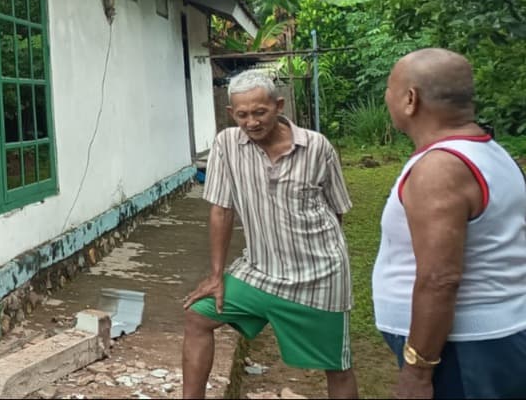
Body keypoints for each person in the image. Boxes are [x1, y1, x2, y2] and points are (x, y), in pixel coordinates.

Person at [182, 69, 358, 399]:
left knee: (337, 366)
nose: (251, 122)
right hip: (259, 272)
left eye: (259, 112)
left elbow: (337, 211)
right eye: (243, 115)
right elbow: (221, 209)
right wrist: (217, 275)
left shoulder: (317, 147)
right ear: (231, 113)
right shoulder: (227, 145)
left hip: (319, 279)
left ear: (278, 106)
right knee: (197, 317)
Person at [373, 49, 526, 399]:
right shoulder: (491, 152)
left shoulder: (441, 169)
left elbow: (440, 278)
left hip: (465, 350)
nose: (387, 98)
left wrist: (418, 369)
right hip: (487, 342)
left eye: (390, 90)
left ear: (410, 99)